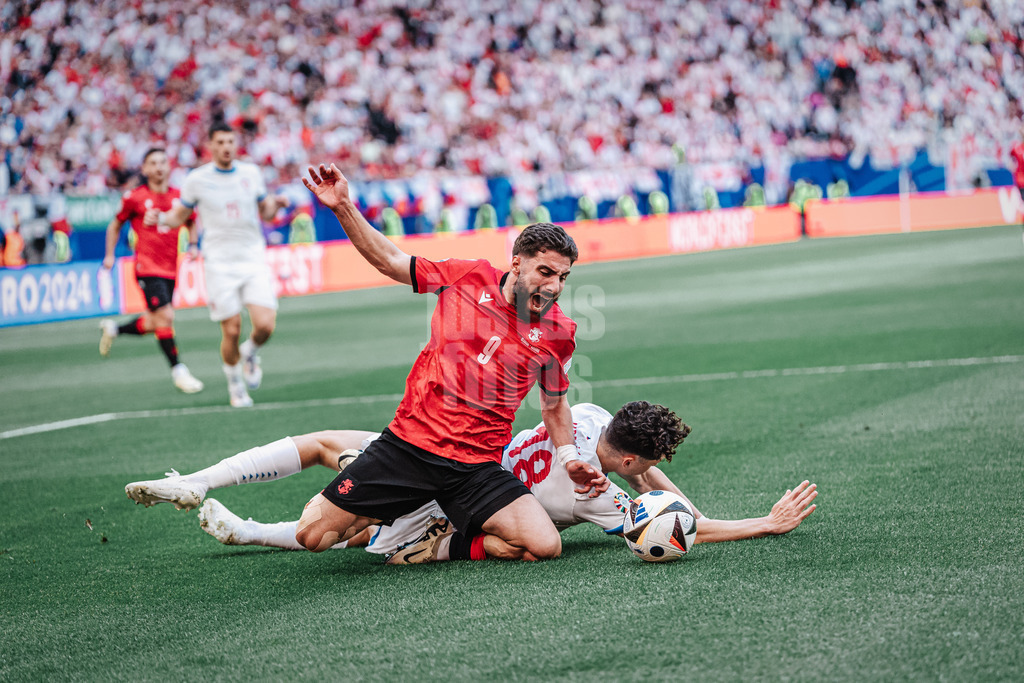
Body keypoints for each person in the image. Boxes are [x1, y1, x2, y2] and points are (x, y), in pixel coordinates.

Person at [123, 402, 818, 560]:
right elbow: (676, 522)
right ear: (630, 464)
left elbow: (649, 476)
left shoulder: (589, 416)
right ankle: (247, 530)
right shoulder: (604, 498)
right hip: (459, 501)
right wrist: (759, 520)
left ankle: (204, 482)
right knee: (340, 535)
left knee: (327, 442)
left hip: (456, 457)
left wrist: (676, 495)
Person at [145, 122, 290, 407]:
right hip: (219, 263)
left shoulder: (251, 173)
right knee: (231, 329)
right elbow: (180, 215)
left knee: (265, 325)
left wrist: (278, 204)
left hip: (252, 257)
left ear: (236, 145)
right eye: (220, 142)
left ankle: (250, 352)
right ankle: (235, 385)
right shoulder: (197, 179)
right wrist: (160, 219)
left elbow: (267, 212)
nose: (226, 147)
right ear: (210, 145)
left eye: (230, 142)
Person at [98, 148, 204, 394]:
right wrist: (110, 254)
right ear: (144, 169)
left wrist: (194, 244)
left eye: (162, 162)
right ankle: (178, 371)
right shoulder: (134, 197)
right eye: (152, 163)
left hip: (170, 268)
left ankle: (114, 329)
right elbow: (115, 224)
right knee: (166, 316)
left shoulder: (180, 197)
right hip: (146, 266)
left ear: (169, 167)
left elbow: (190, 220)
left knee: (156, 320)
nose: (158, 167)